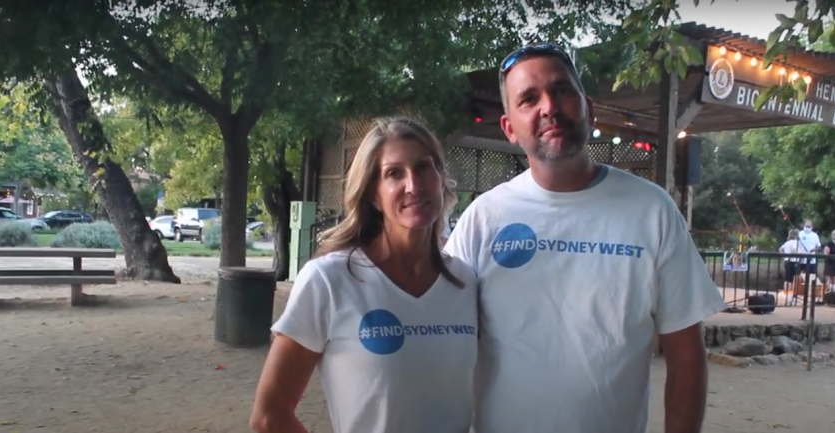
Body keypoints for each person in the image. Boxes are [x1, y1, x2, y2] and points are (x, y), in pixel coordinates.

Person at [444, 43, 726, 433]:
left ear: (588, 107)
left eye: (561, 90)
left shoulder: (651, 210)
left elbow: (686, 354)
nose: (549, 107)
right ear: (509, 128)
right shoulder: (482, 219)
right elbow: (439, 335)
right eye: (528, 99)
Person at [250, 116, 479, 433]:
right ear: (373, 194)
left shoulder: (466, 281)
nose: (414, 185)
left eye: (424, 167)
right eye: (394, 174)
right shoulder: (329, 280)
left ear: (441, 178)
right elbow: (269, 417)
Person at [779, 229, 801, 305]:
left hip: (787, 261)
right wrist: (798, 254)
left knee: (787, 279)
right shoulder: (795, 242)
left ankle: (786, 294)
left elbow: (780, 249)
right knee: (793, 279)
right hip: (793, 261)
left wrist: (784, 256)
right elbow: (794, 250)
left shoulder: (787, 242)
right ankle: (790, 296)